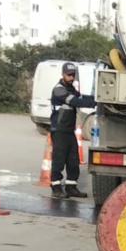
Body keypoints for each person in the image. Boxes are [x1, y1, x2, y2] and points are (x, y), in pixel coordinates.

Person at [49, 63, 96, 198]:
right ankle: (56, 187)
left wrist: (97, 99)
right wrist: (93, 103)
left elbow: (81, 97)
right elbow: (74, 101)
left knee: (73, 160)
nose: (71, 77)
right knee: (59, 159)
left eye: (73, 75)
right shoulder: (59, 90)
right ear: (63, 74)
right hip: (59, 130)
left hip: (69, 131)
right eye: (69, 75)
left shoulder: (71, 89)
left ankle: (71, 187)